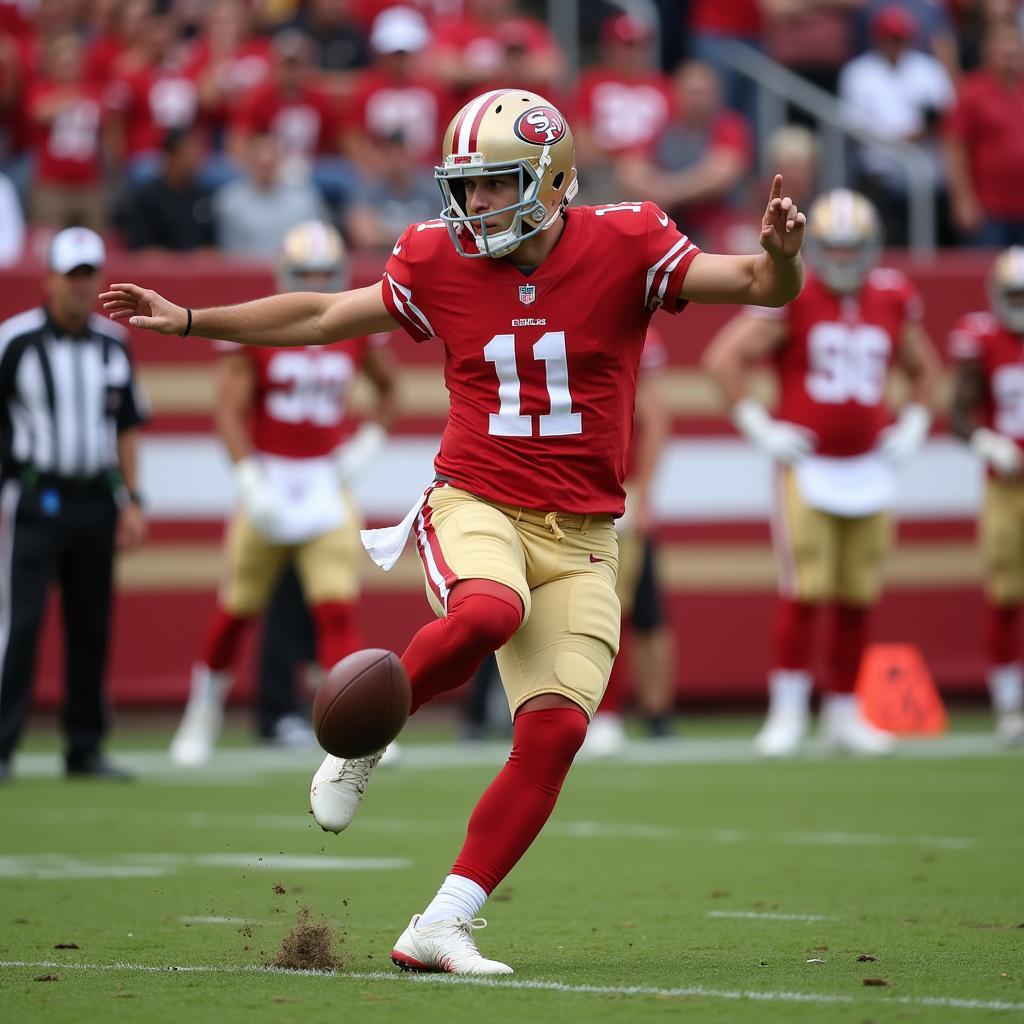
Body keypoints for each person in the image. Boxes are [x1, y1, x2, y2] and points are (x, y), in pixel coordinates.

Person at [102, 88, 807, 974]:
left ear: (551, 181)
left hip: (586, 532)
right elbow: (325, 316)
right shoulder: (438, 258)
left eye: (494, 185)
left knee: (553, 733)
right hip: (475, 499)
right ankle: (364, 740)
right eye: (465, 187)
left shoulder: (627, 241)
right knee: (488, 611)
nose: (473, 206)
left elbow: (756, 284)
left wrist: (782, 258)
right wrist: (195, 321)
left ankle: (440, 922)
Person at [703, 189, 941, 758]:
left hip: (870, 469)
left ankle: (842, 713)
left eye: (851, 247)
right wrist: (759, 425)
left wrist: (913, 423)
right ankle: (787, 712)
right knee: (805, 590)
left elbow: (926, 370)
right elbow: (723, 357)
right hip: (809, 469)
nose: (839, 258)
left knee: (858, 594)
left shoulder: (892, 295)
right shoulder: (797, 292)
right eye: (831, 247)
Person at [169, 219, 397, 765]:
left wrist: (365, 444)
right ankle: (200, 719)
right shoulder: (264, 331)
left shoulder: (354, 329)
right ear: (286, 274)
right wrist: (248, 477)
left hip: (324, 482)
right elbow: (228, 409)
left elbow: (390, 390)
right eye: (306, 272)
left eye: (325, 272)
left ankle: (360, 729)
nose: (317, 280)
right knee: (236, 608)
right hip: (271, 478)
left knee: (337, 609)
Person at [0, 227, 148, 783]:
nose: (82, 287)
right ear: (50, 279)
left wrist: (132, 499)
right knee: (23, 623)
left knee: (91, 626)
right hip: (37, 495)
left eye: (90, 276)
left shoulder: (113, 345)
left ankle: (84, 746)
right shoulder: (14, 341)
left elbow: (128, 427)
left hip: (95, 499)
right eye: (73, 276)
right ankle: (3, 744)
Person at [584, 326, 675, 756]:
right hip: (560, 484)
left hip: (613, 493)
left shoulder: (637, 334)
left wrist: (642, 490)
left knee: (614, 608)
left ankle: (609, 712)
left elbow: (655, 417)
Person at [948, 247, 1024, 745]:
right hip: (1008, 485)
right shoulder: (983, 339)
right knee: (1006, 594)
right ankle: (1008, 705)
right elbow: (958, 414)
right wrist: (989, 443)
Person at [945, 23, 1024, 247]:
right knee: (984, 275)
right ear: (988, 53)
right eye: (1004, 52)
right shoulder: (972, 92)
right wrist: (962, 200)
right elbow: (955, 147)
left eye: (1015, 51)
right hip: (988, 210)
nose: (1011, 57)